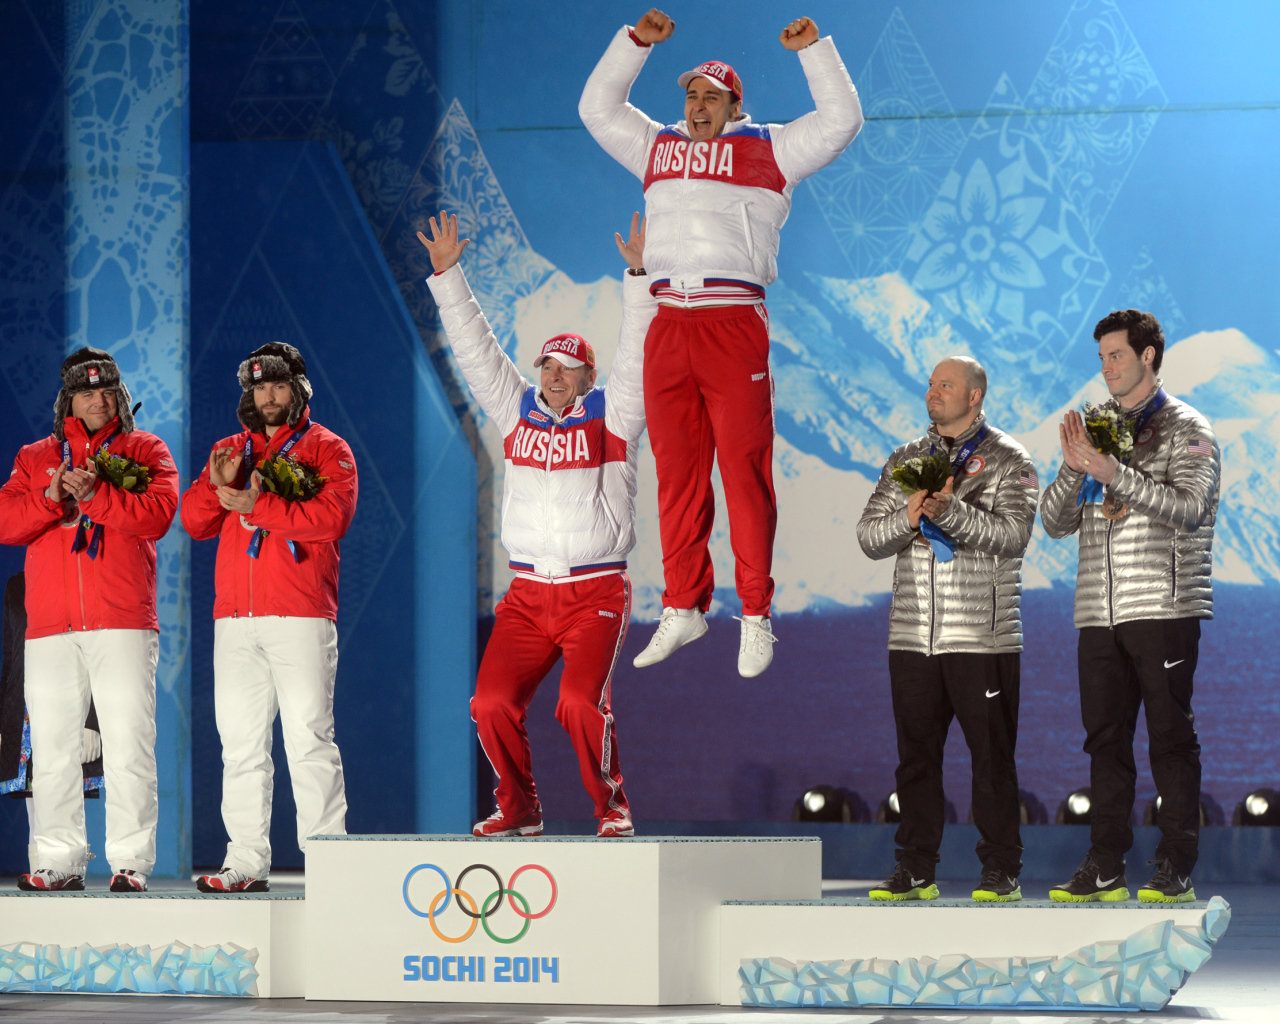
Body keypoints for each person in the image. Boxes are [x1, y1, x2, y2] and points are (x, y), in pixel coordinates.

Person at [579, 9, 864, 677]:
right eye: (691, 94)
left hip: (732, 320)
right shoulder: (657, 146)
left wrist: (815, 51)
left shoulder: (769, 147)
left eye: (711, 96)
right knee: (677, 474)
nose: (697, 104)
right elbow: (597, 108)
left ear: (736, 105)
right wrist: (635, 44)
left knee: (742, 471)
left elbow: (841, 121)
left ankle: (757, 615)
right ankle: (683, 607)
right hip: (667, 322)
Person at [418, 210, 654, 838]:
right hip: (527, 596)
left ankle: (612, 807)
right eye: (546, 363)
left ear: (587, 378)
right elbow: (477, 348)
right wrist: (448, 276)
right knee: (489, 703)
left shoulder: (616, 418)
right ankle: (520, 808)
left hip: (594, 593)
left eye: (566, 365)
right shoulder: (515, 411)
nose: (552, 373)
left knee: (577, 704)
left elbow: (637, 357)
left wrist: (638, 276)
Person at [1042, 310, 1219, 904]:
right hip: (1098, 611)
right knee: (1105, 743)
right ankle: (1106, 864)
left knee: (1170, 740)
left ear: (1148, 357)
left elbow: (1192, 507)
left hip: (1165, 608)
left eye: (1116, 355)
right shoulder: (1094, 430)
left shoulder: (1188, 426)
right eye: (1101, 358)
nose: (1106, 368)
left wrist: (1113, 472)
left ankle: (1175, 864)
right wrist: (1076, 469)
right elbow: (1053, 522)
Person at [857, 357, 1038, 902]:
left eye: (946, 385)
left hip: (981, 637)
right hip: (913, 635)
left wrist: (949, 512)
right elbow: (869, 537)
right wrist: (911, 518)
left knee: (991, 759)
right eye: (932, 384)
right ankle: (915, 869)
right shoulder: (906, 458)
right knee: (915, 758)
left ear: (976, 395)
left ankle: (1000, 870)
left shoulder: (1010, 459)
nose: (933, 392)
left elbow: (1014, 537)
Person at [180, 343, 357, 893]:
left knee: (308, 738)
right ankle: (245, 861)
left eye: (278, 387)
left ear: (298, 389)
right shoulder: (229, 449)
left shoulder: (329, 448)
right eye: (260, 388)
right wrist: (217, 487)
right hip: (234, 619)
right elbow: (192, 521)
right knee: (240, 746)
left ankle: (328, 863)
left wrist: (255, 506)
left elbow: (332, 519)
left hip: (299, 613)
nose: (269, 397)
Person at [0, 347, 178, 892]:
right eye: (86, 392)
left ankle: (130, 861)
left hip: (121, 619)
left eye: (107, 392)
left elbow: (159, 515)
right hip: (51, 623)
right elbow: (7, 522)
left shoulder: (146, 449)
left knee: (128, 741)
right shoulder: (35, 457)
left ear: (120, 396)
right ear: (68, 401)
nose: (98, 401)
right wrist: (51, 499)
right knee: (52, 746)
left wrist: (98, 497)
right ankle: (58, 860)